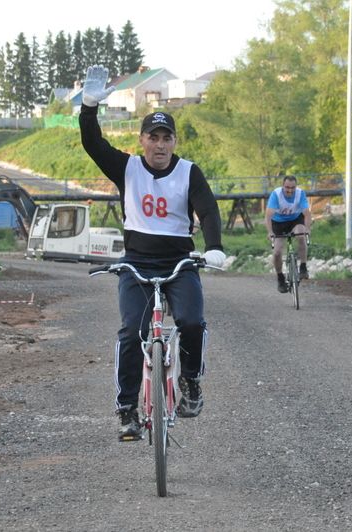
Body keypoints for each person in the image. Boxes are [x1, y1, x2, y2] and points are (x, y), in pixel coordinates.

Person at [79, 65, 226, 441]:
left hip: (180, 263)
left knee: (192, 322)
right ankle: (127, 409)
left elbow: (207, 209)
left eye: (167, 138)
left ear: (174, 142)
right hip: (137, 264)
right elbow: (93, 143)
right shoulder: (126, 167)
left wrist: (215, 248)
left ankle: (191, 381)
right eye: (153, 137)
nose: (160, 145)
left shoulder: (190, 172)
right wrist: (90, 107)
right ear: (142, 140)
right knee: (132, 332)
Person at [264, 175, 312, 293]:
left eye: (292, 188)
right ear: (282, 186)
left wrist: (307, 228)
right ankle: (280, 278)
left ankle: (303, 266)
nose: (290, 190)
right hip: (278, 223)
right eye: (287, 187)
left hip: (295, 220)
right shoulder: (276, 195)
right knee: (277, 252)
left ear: (296, 187)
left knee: (301, 235)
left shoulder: (300, 194)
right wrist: (270, 232)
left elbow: (307, 214)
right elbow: (268, 216)